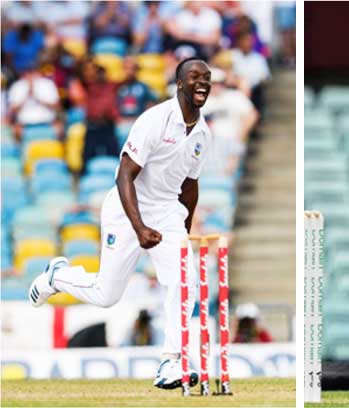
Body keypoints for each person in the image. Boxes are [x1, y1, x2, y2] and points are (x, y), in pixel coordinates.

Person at [28, 57, 214, 391]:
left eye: (207, 77)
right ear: (180, 83)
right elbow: (125, 175)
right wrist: (140, 226)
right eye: (195, 76)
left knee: (185, 282)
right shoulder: (154, 120)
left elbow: (190, 185)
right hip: (127, 207)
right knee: (106, 294)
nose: (202, 82)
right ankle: (59, 276)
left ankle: (173, 359)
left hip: (168, 210)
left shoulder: (203, 134)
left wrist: (182, 235)